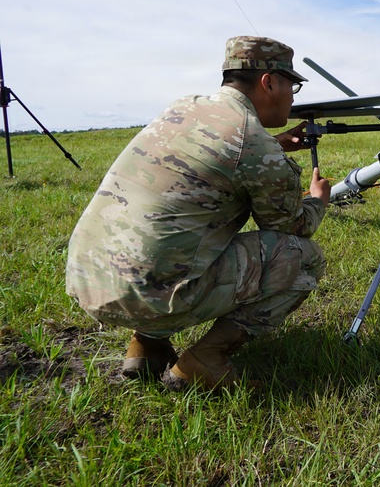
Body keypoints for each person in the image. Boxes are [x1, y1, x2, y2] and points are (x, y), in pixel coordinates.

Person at [65, 36, 331, 392]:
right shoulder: (253, 143)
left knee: (170, 241)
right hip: (153, 295)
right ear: (269, 82)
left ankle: (146, 346)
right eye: (292, 85)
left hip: (89, 280)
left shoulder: (183, 107)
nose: (294, 96)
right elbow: (292, 226)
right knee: (303, 258)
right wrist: (317, 199)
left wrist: (273, 146)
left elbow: (220, 154)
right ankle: (206, 359)